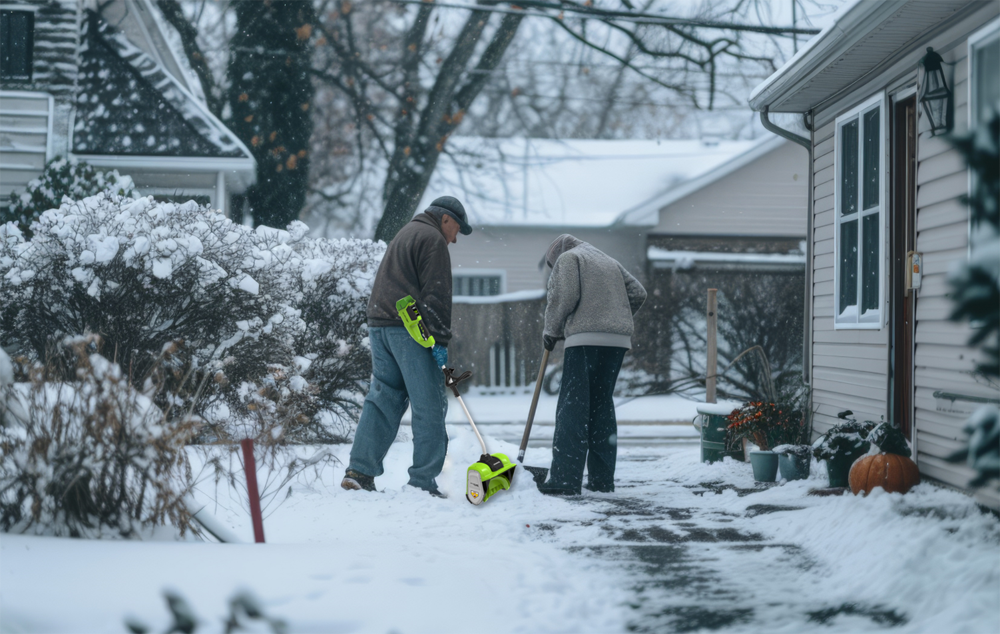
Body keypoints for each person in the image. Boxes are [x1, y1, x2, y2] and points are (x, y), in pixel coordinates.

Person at [341, 196, 472, 497]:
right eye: (457, 230)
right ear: (446, 219)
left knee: (384, 398)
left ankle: (359, 471)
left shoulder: (406, 232)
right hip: (409, 329)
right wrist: (438, 341)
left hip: (379, 324)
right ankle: (423, 482)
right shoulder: (433, 239)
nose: (454, 239)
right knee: (429, 404)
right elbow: (437, 296)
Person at [538, 234, 646, 495]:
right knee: (601, 407)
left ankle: (565, 481)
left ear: (556, 256)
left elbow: (564, 296)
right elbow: (638, 293)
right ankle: (601, 481)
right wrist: (613, 317)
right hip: (617, 341)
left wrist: (551, 330)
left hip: (584, 340)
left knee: (573, 409)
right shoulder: (608, 260)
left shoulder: (568, 258)